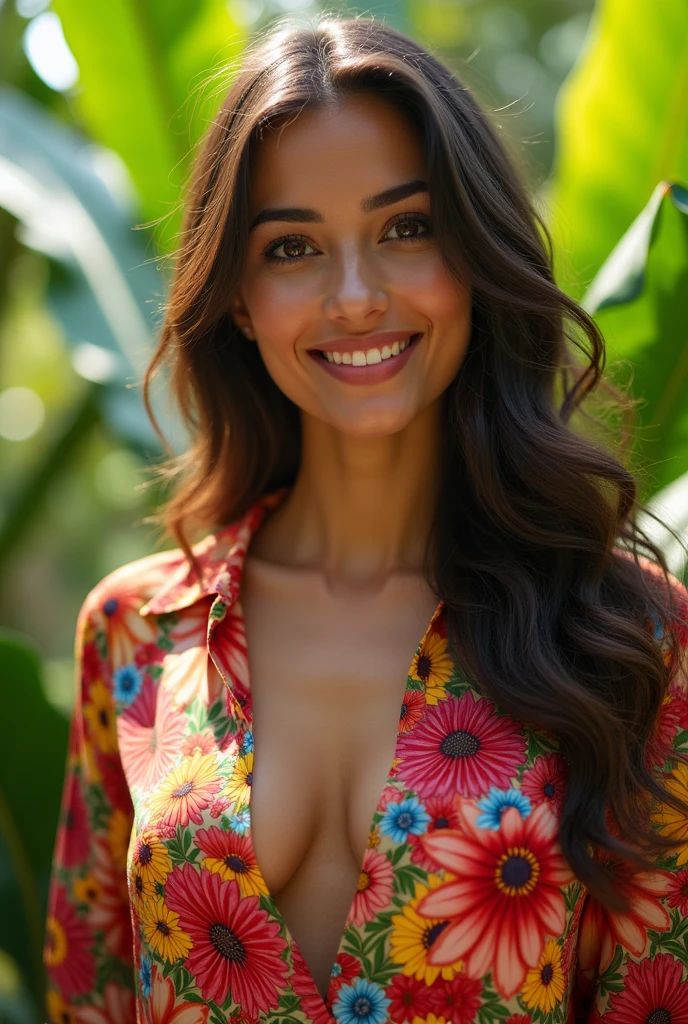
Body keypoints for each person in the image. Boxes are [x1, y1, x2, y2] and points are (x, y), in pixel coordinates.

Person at [43, 14, 688, 1024]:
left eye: (405, 228)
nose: (354, 296)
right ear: (241, 299)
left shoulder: (635, 636)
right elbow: (91, 994)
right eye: (292, 247)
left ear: (473, 256)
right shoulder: (134, 633)